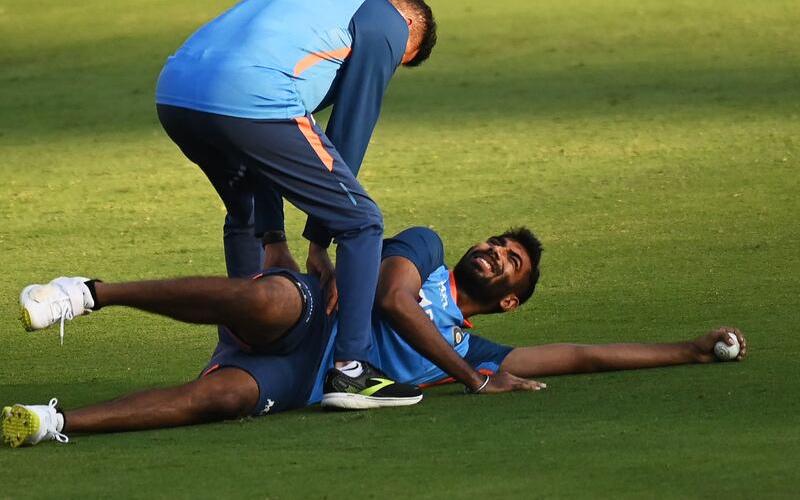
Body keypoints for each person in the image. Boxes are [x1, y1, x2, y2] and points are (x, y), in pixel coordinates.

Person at [6, 227, 747, 447]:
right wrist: (468, 377)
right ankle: (90, 292)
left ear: (511, 299)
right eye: (495, 244)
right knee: (272, 297)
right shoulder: (423, 248)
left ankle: (52, 422)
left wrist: (685, 347)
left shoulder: (475, 344)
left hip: (299, 378)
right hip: (305, 317)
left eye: (507, 261)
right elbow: (392, 301)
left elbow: (582, 355)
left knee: (225, 397)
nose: (492, 253)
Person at [154, 0, 438, 407]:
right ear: (408, 26)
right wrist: (319, 241)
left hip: (175, 93)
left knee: (245, 215)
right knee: (362, 222)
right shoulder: (390, 24)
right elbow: (351, 126)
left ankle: (235, 355)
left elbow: (258, 150)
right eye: (398, 62)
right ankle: (352, 371)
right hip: (251, 95)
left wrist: (274, 238)